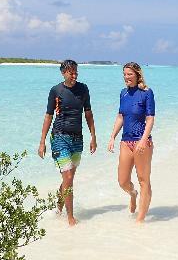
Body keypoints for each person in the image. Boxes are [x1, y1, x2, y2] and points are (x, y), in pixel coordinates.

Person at [37, 59, 97, 226]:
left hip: (77, 139)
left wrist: (93, 136)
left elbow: (89, 114)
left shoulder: (83, 89)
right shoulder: (56, 91)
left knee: (68, 179)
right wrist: (42, 142)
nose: (74, 75)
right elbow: (49, 116)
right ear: (63, 73)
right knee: (69, 176)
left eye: (76, 71)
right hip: (59, 137)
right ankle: (70, 218)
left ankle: (58, 207)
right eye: (71, 72)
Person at [107, 61, 155, 223]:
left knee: (144, 180)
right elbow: (121, 116)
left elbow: (150, 118)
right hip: (126, 141)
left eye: (129, 74)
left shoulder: (147, 93)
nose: (126, 77)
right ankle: (133, 194)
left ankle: (140, 220)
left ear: (137, 75)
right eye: (124, 74)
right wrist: (112, 136)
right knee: (122, 181)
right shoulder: (123, 93)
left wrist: (143, 140)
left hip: (142, 142)